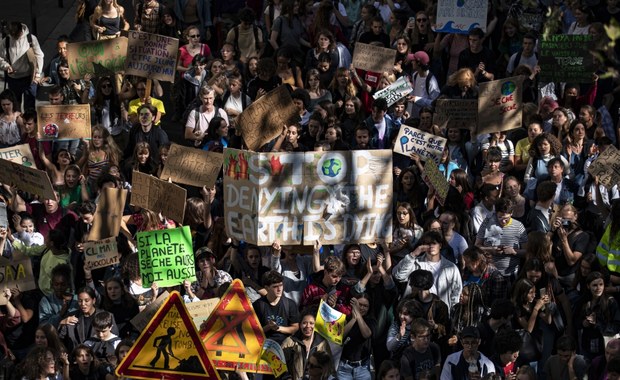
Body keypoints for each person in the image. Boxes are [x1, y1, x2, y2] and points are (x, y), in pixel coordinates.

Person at [393, 231, 463, 311]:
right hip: (415, 312)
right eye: (427, 243)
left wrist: (451, 313)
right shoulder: (414, 263)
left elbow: (456, 293)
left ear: (440, 245)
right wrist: (413, 255)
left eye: (433, 243)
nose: (431, 246)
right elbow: (399, 276)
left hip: (439, 312)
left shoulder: (451, 268)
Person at [475, 198, 527, 278]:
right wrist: (491, 250)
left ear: (511, 213)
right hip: (489, 273)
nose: (503, 221)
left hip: (511, 274)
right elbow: (477, 246)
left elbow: (526, 252)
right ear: (496, 213)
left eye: (506, 219)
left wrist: (513, 251)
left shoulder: (519, 226)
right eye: (500, 217)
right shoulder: (487, 223)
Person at [0, 22, 44, 111]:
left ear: (21, 31)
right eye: (12, 35)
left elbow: (39, 55)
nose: (14, 37)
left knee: (30, 106)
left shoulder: (30, 38)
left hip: (29, 77)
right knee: (15, 106)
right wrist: (6, 66)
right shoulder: (6, 41)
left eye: (16, 35)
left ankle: (29, 123)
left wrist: (38, 74)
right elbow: (1, 58)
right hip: (14, 79)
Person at [253, 270, 300, 345]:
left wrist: (279, 328)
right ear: (267, 288)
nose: (279, 289)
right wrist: (268, 327)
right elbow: (252, 332)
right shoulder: (258, 305)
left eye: (281, 285)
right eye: (275, 287)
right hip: (264, 345)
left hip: (285, 346)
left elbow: (295, 327)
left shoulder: (290, 304)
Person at [337, 293, 374, 380]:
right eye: (360, 305)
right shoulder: (347, 318)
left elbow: (366, 334)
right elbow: (340, 336)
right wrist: (354, 319)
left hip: (363, 367)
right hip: (344, 367)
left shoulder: (371, 320)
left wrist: (357, 313)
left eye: (365, 306)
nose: (362, 308)